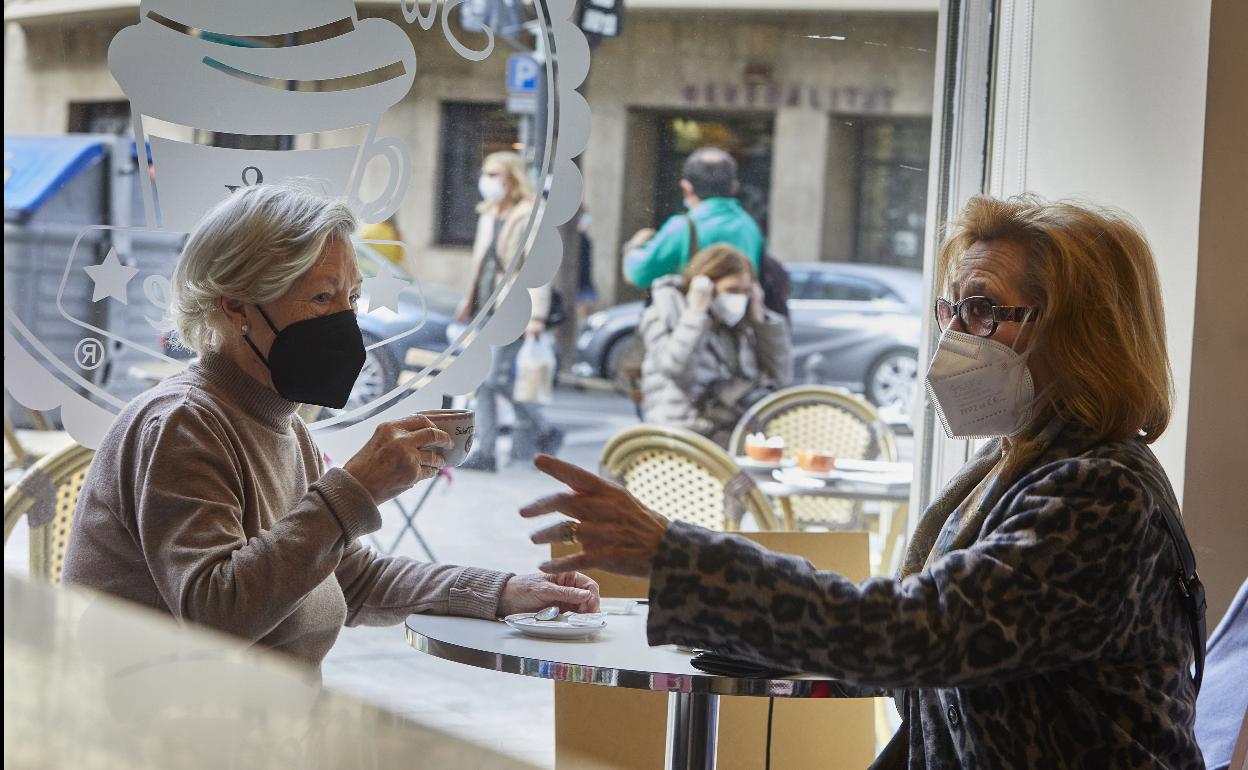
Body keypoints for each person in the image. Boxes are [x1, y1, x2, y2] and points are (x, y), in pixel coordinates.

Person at [521, 195, 1205, 768]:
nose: (955, 336)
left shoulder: (1100, 493)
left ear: (1081, 334)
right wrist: (736, 621)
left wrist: (677, 557)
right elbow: (925, 655)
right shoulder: (1015, 468)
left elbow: (920, 633)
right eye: (952, 310)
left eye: (983, 309)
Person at [61, 184, 599, 670]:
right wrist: (354, 490)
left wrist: (504, 591)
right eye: (322, 297)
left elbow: (349, 578)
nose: (346, 321)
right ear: (235, 306)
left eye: (352, 298)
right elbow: (215, 611)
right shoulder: (185, 423)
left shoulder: (279, 420)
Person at [457, 151, 563, 472]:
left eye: (495, 175)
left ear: (513, 179)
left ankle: (542, 428)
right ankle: (487, 451)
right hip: (486, 307)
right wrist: (469, 300)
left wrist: (536, 316)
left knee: (493, 380)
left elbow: (539, 268)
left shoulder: (531, 214)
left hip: (515, 308)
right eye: (485, 173)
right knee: (484, 381)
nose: (487, 181)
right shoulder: (489, 213)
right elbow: (482, 262)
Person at [639, 244, 791, 446]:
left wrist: (760, 318)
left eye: (745, 291)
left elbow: (781, 380)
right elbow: (677, 370)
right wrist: (695, 314)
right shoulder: (665, 312)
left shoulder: (739, 325)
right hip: (680, 433)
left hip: (730, 430)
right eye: (731, 290)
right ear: (706, 286)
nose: (739, 298)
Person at [623, 146, 764, 290]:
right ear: (734, 187)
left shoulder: (682, 227)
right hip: (744, 313)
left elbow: (637, 274)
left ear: (686, 188)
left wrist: (634, 246)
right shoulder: (750, 227)